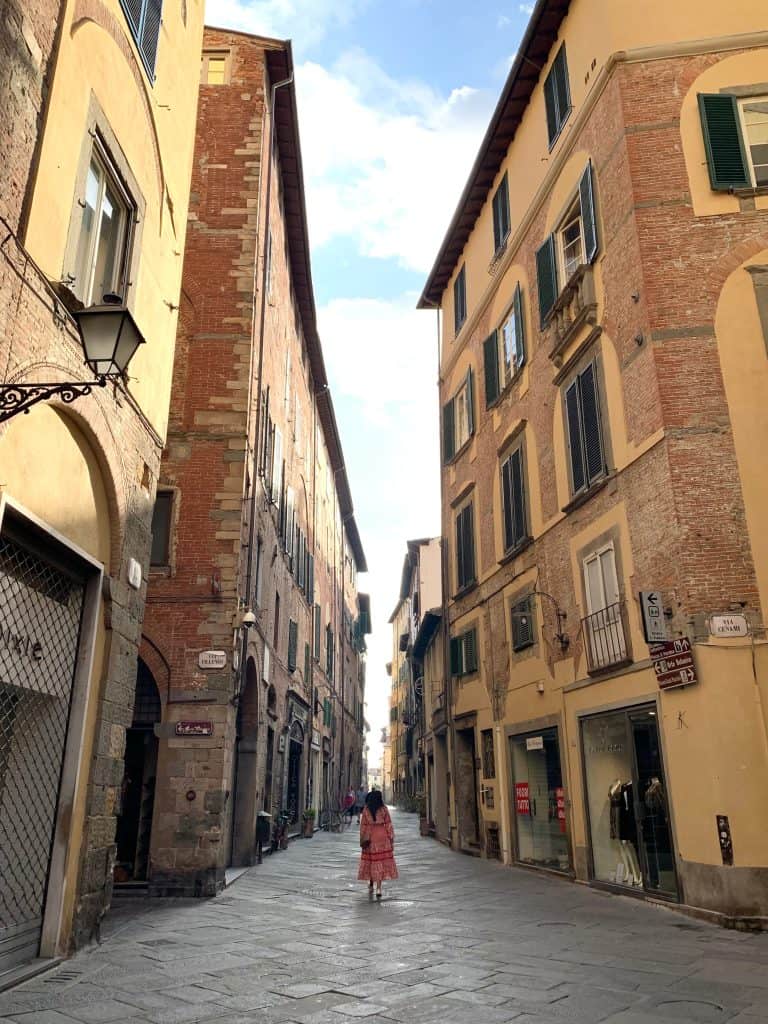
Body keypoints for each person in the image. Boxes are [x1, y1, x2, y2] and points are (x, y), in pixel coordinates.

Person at [358, 789, 398, 899]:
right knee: (380, 862)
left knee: (371, 861)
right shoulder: (384, 809)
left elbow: (363, 826)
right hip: (382, 836)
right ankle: (379, 888)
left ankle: (371, 882)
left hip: (370, 836)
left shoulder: (366, 809)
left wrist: (362, 838)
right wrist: (391, 839)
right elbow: (389, 824)